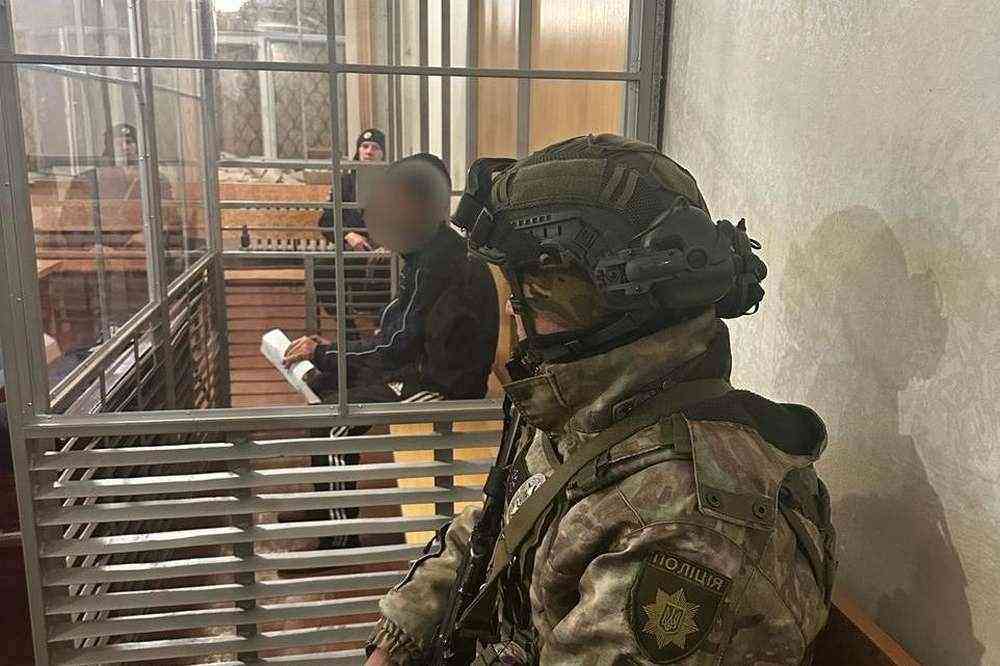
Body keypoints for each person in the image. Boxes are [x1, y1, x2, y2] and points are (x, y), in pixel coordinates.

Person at [363, 134, 837, 664]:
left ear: (604, 297)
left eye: (532, 289)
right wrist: (399, 634)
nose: (514, 311)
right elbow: (501, 520)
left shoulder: (685, 529)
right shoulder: (592, 408)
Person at [283, 153, 500, 549]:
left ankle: (340, 538)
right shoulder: (428, 249)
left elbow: (397, 346)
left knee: (334, 425)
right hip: (418, 365)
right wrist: (332, 355)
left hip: (443, 386)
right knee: (326, 395)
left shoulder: (441, 260)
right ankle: (327, 511)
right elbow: (397, 332)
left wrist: (326, 353)